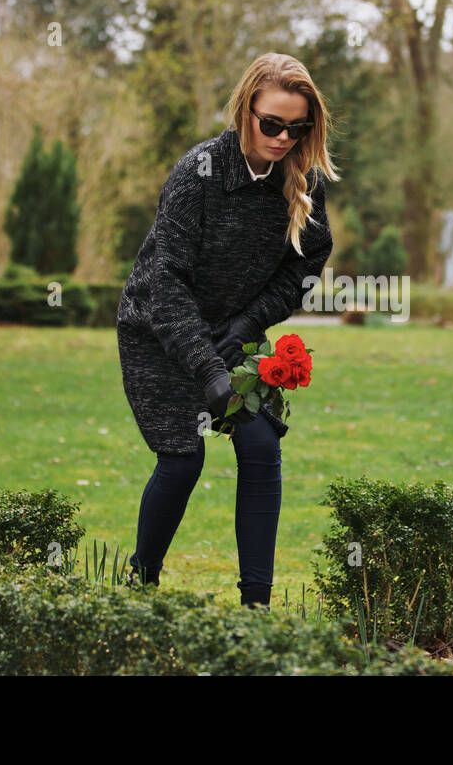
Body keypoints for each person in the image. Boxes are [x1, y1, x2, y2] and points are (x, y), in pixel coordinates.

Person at [116, 52, 337, 610]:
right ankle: (139, 591)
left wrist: (248, 323)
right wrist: (210, 372)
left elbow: (305, 267)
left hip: (232, 334)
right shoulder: (200, 173)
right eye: (272, 124)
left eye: (297, 127)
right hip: (158, 333)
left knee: (261, 447)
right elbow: (166, 286)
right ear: (245, 110)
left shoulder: (304, 179)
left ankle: (255, 608)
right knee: (183, 458)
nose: (284, 137)